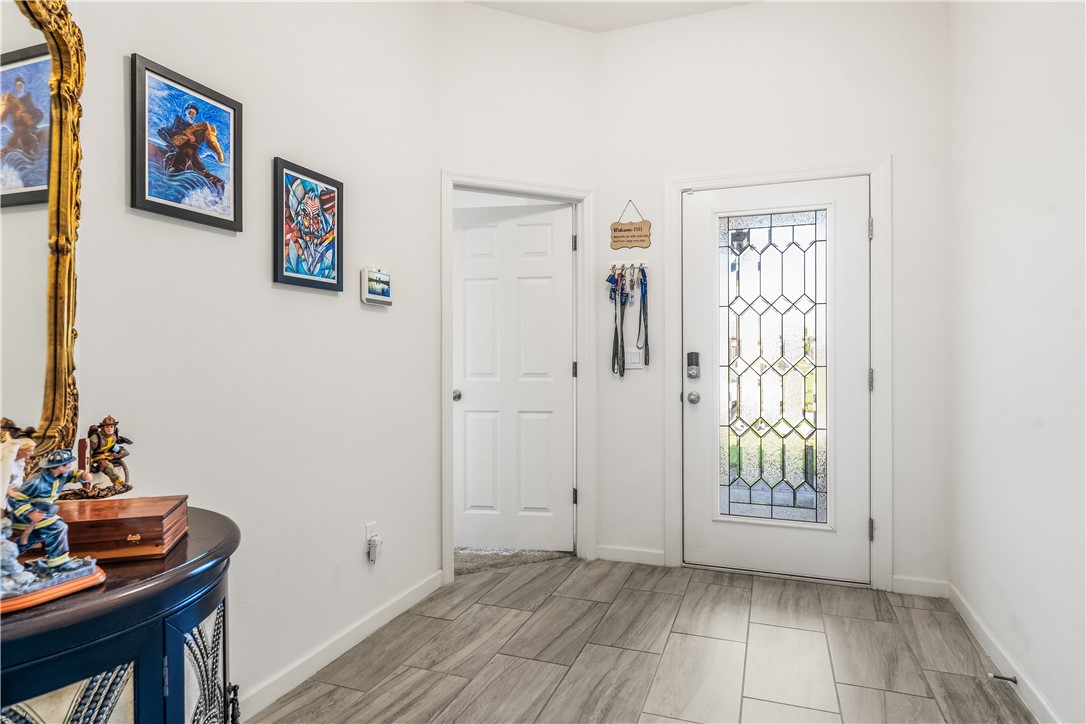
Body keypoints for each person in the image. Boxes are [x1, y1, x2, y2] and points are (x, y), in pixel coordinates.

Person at [6, 448, 89, 572]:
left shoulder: (61, 475)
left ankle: (6, 556)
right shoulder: (36, 482)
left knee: (35, 536)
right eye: (68, 464)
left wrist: (82, 476)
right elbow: (15, 498)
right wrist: (30, 513)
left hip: (43, 514)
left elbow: (72, 474)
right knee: (59, 527)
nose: (70, 466)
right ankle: (59, 563)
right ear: (60, 467)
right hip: (25, 516)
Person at [1, 75, 46, 157]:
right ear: (16, 87)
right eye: (18, 85)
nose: (19, 86)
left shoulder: (28, 96)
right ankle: (8, 149)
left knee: (21, 130)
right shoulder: (15, 99)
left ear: (23, 85)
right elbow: (6, 112)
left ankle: (28, 148)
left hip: (28, 120)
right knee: (18, 129)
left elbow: (31, 107)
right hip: (18, 122)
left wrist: (23, 111)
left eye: (20, 84)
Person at [87, 415, 129, 489]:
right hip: (98, 457)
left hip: (109, 455)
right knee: (107, 466)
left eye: (111, 427)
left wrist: (119, 451)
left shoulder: (114, 436)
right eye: (107, 427)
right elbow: (88, 451)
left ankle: (112, 461)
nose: (109, 429)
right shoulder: (95, 438)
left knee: (125, 452)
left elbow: (112, 445)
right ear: (103, 428)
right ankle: (118, 482)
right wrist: (90, 464)